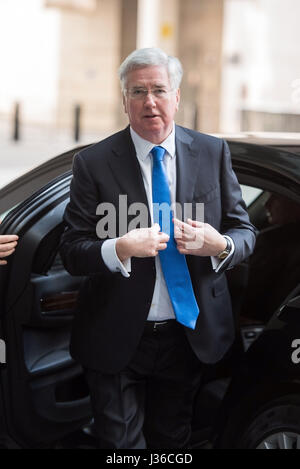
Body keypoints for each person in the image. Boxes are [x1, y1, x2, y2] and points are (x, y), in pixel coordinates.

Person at [60, 47, 256, 449]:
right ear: (124, 101)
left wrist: (217, 244)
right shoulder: (93, 163)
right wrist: (119, 248)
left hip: (188, 337)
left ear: (177, 97)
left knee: (174, 442)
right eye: (137, 91)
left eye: (159, 90)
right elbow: (71, 250)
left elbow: (245, 233)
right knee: (120, 446)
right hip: (116, 336)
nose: (149, 101)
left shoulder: (212, 152)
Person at [241, 193, 300, 322]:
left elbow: (250, 292)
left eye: (276, 197)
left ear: (296, 204)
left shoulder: (272, 240)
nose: (266, 204)